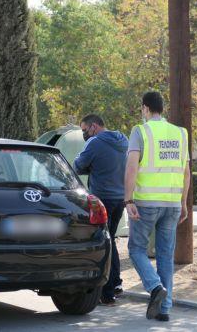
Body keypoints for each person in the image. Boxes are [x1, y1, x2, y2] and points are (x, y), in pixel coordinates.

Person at [124, 91, 190, 321]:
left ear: (145, 108)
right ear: (162, 108)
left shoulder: (140, 131)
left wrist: (128, 199)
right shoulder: (181, 133)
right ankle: (165, 309)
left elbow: (132, 167)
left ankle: (154, 287)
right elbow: (186, 172)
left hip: (146, 203)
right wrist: (183, 203)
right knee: (165, 255)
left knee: (136, 249)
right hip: (172, 204)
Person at [74, 114, 128, 305]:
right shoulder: (124, 141)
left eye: (84, 130)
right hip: (120, 199)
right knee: (111, 240)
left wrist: (92, 168)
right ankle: (116, 284)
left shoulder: (94, 143)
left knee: (104, 242)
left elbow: (78, 165)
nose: (84, 134)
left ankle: (106, 293)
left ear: (94, 127)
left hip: (102, 199)